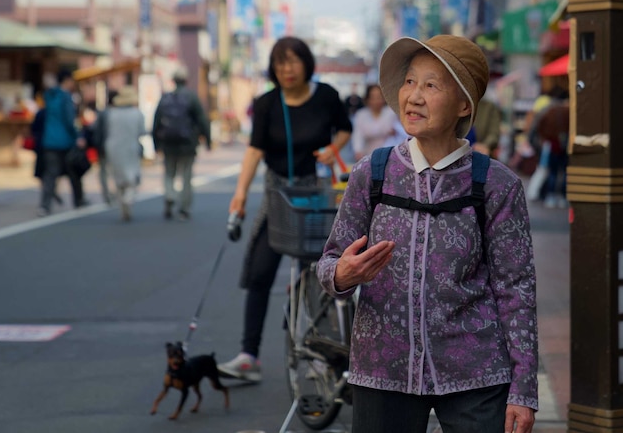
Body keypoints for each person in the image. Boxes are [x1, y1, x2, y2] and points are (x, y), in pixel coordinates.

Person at [317, 35, 538, 433]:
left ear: (464, 104)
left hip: (477, 372)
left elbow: (516, 288)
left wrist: (523, 388)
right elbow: (330, 263)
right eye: (409, 82)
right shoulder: (372, 172)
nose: (414, 97)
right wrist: (342, 275)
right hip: (383, 368)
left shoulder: (496, 184)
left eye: (431, 85)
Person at [217, 36, 352, 382]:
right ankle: (249, 356)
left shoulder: (326, 97)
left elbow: (345, 130)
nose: (286, 69)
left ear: (306, 63)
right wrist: (240, 194)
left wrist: (330, 149)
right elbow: (254, 151)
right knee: (259, 271)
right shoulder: (265, 104)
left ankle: (323, 355)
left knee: (320, 277)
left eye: (292, 61)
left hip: (315, 193)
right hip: (277, 194)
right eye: (279, 63)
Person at [152, 65, 211, 221]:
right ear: (186, 80)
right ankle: (184, 208)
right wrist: (208, 139)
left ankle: (170, 195)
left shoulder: (165, 98)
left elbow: (156, 122)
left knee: (169, 173)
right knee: (186, 176)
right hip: (188, 143)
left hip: (168, 143)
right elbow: (202, 120)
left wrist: (155, 144)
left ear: (173, 81)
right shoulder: (192, 97)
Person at [38, 71, 86, 216]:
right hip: (65, 140)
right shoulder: (65, 97)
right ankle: (78, 200)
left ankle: (44, 205)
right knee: (73, 172)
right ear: (67, 80)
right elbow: (69, 120)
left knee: (50, 175)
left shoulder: (49, 96)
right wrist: (77, 136)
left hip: (49, 140)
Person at [104, 86, 146, 221]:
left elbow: (106, 131)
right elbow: (142, 132)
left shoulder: (111, 113)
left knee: (118, 178)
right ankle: (128, 198)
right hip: (131, 147)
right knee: (131, 177)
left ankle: (123, 208)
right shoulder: (137, 114)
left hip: (113, 148)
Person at [351, 83, 400, 161]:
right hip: (367, 155)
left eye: (379, 97)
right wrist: (358, 151)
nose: (376, 101)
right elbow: (358, 135)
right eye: (373, 97)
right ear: (367, 99)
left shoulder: (391, 113)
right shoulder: (361, 115)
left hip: (389, 155)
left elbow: (398, 131)